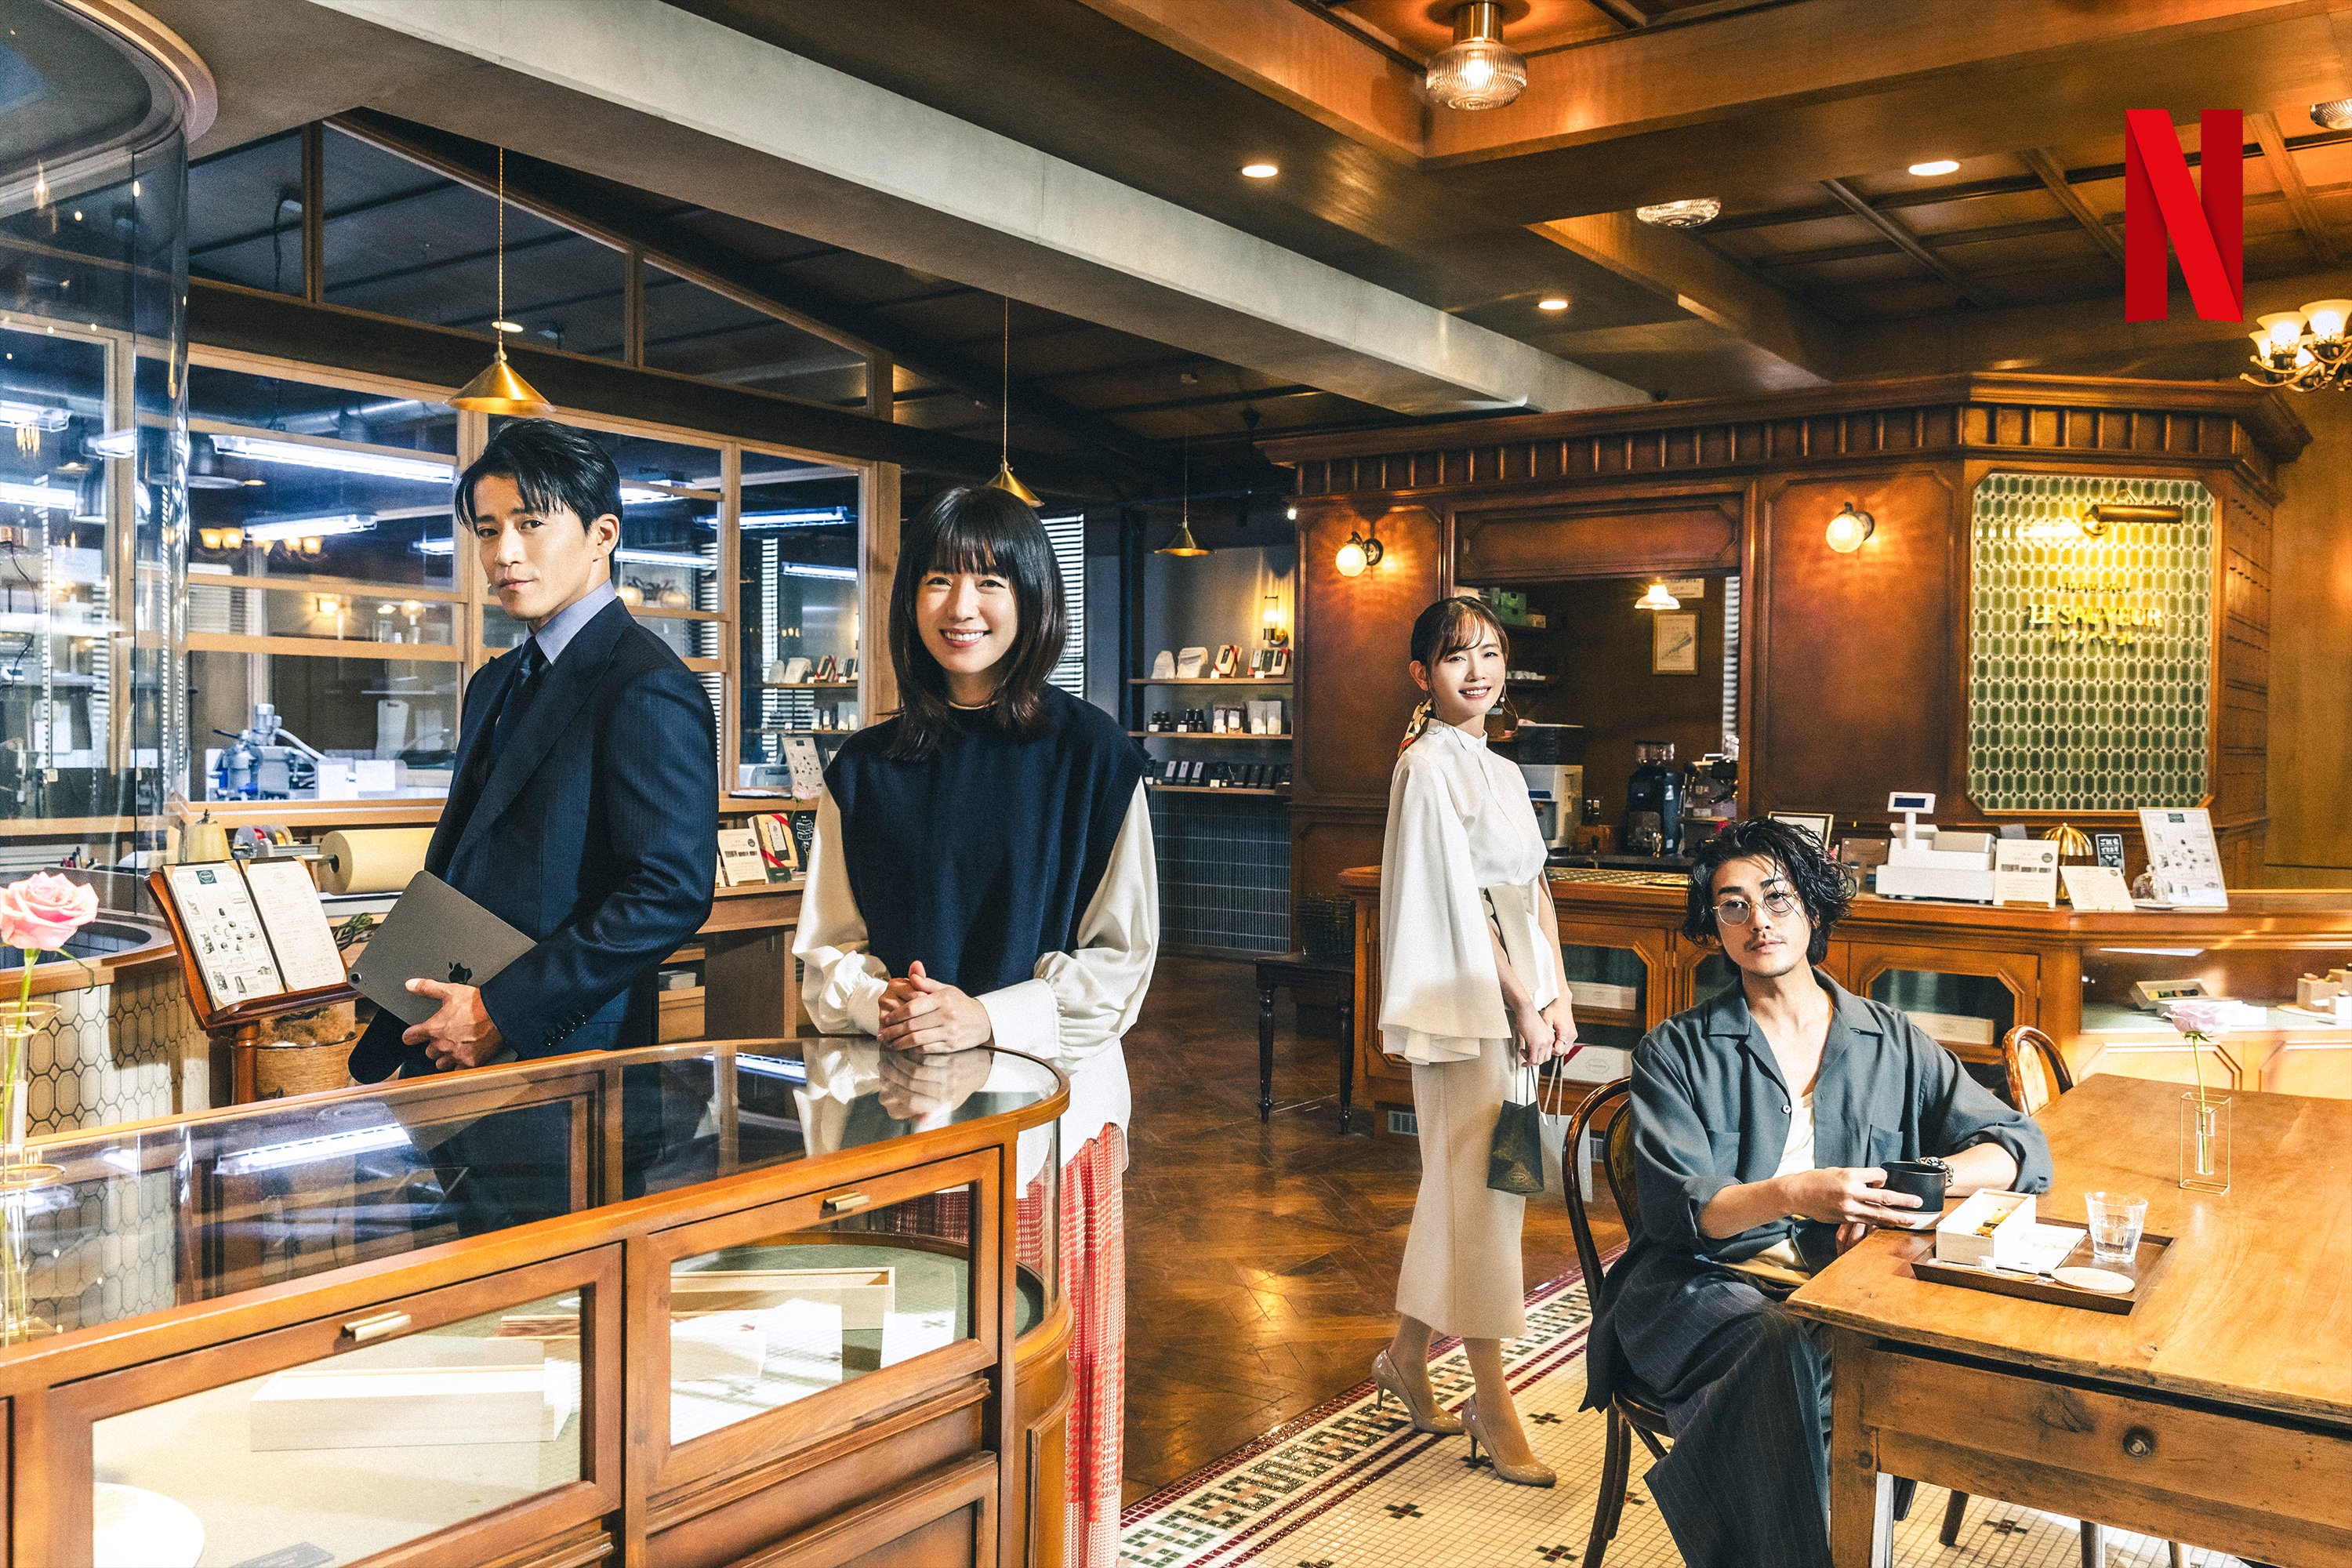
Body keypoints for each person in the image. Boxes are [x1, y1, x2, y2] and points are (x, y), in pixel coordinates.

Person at [793, 482, 1155, 1568]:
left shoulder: (1096, 756)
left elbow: (1122, 961)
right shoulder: (862, 767)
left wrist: (982, 1017)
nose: (964, 604)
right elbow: (823, 953)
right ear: (912, 599)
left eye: (991, 579)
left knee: (1044, 1380)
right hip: (893, 1135)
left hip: (1050, 1132)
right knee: (910, 1397)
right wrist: (887, 1003)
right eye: (942, 578)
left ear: (1032, 598)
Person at [1584, 816, 2053, 1568]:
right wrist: (1798, 1193)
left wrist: (1909, 1189)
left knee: (1856, 1354)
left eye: (1777, 896)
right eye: (1732, 905)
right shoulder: (1675, 1051)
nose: (1758, 920)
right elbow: (1685, 1211)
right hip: (1696, 1290)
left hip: (1844, 1286)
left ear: (1813, 907)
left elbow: (2020, 1149)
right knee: (1798, 1350)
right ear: (1714, 925)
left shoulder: (1891, 1039)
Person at [349, 418, 718, 1083]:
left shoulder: (645, 683)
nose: (503, 554)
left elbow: (670, 893)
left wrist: (501, 1011)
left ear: (602, 535)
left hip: (563, 1051)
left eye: (530, 524)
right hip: (446, 1030)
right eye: (488, 531)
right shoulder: (494, 680)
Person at [1374, 593, 1577, 1486]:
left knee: (1472, 1181)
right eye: (1457, 656)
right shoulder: (1427, 765)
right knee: (1487, 1191)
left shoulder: (1498, 765)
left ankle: (1405, 1358)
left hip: (1521, 996)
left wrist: (1558, 993)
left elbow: (1535, 890)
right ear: (1423, 674)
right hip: (1471, 1003)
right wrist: (1520, 1002)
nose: (1478, 670)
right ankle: (1491, 1402)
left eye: (1490, 653)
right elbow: (1459, 904)